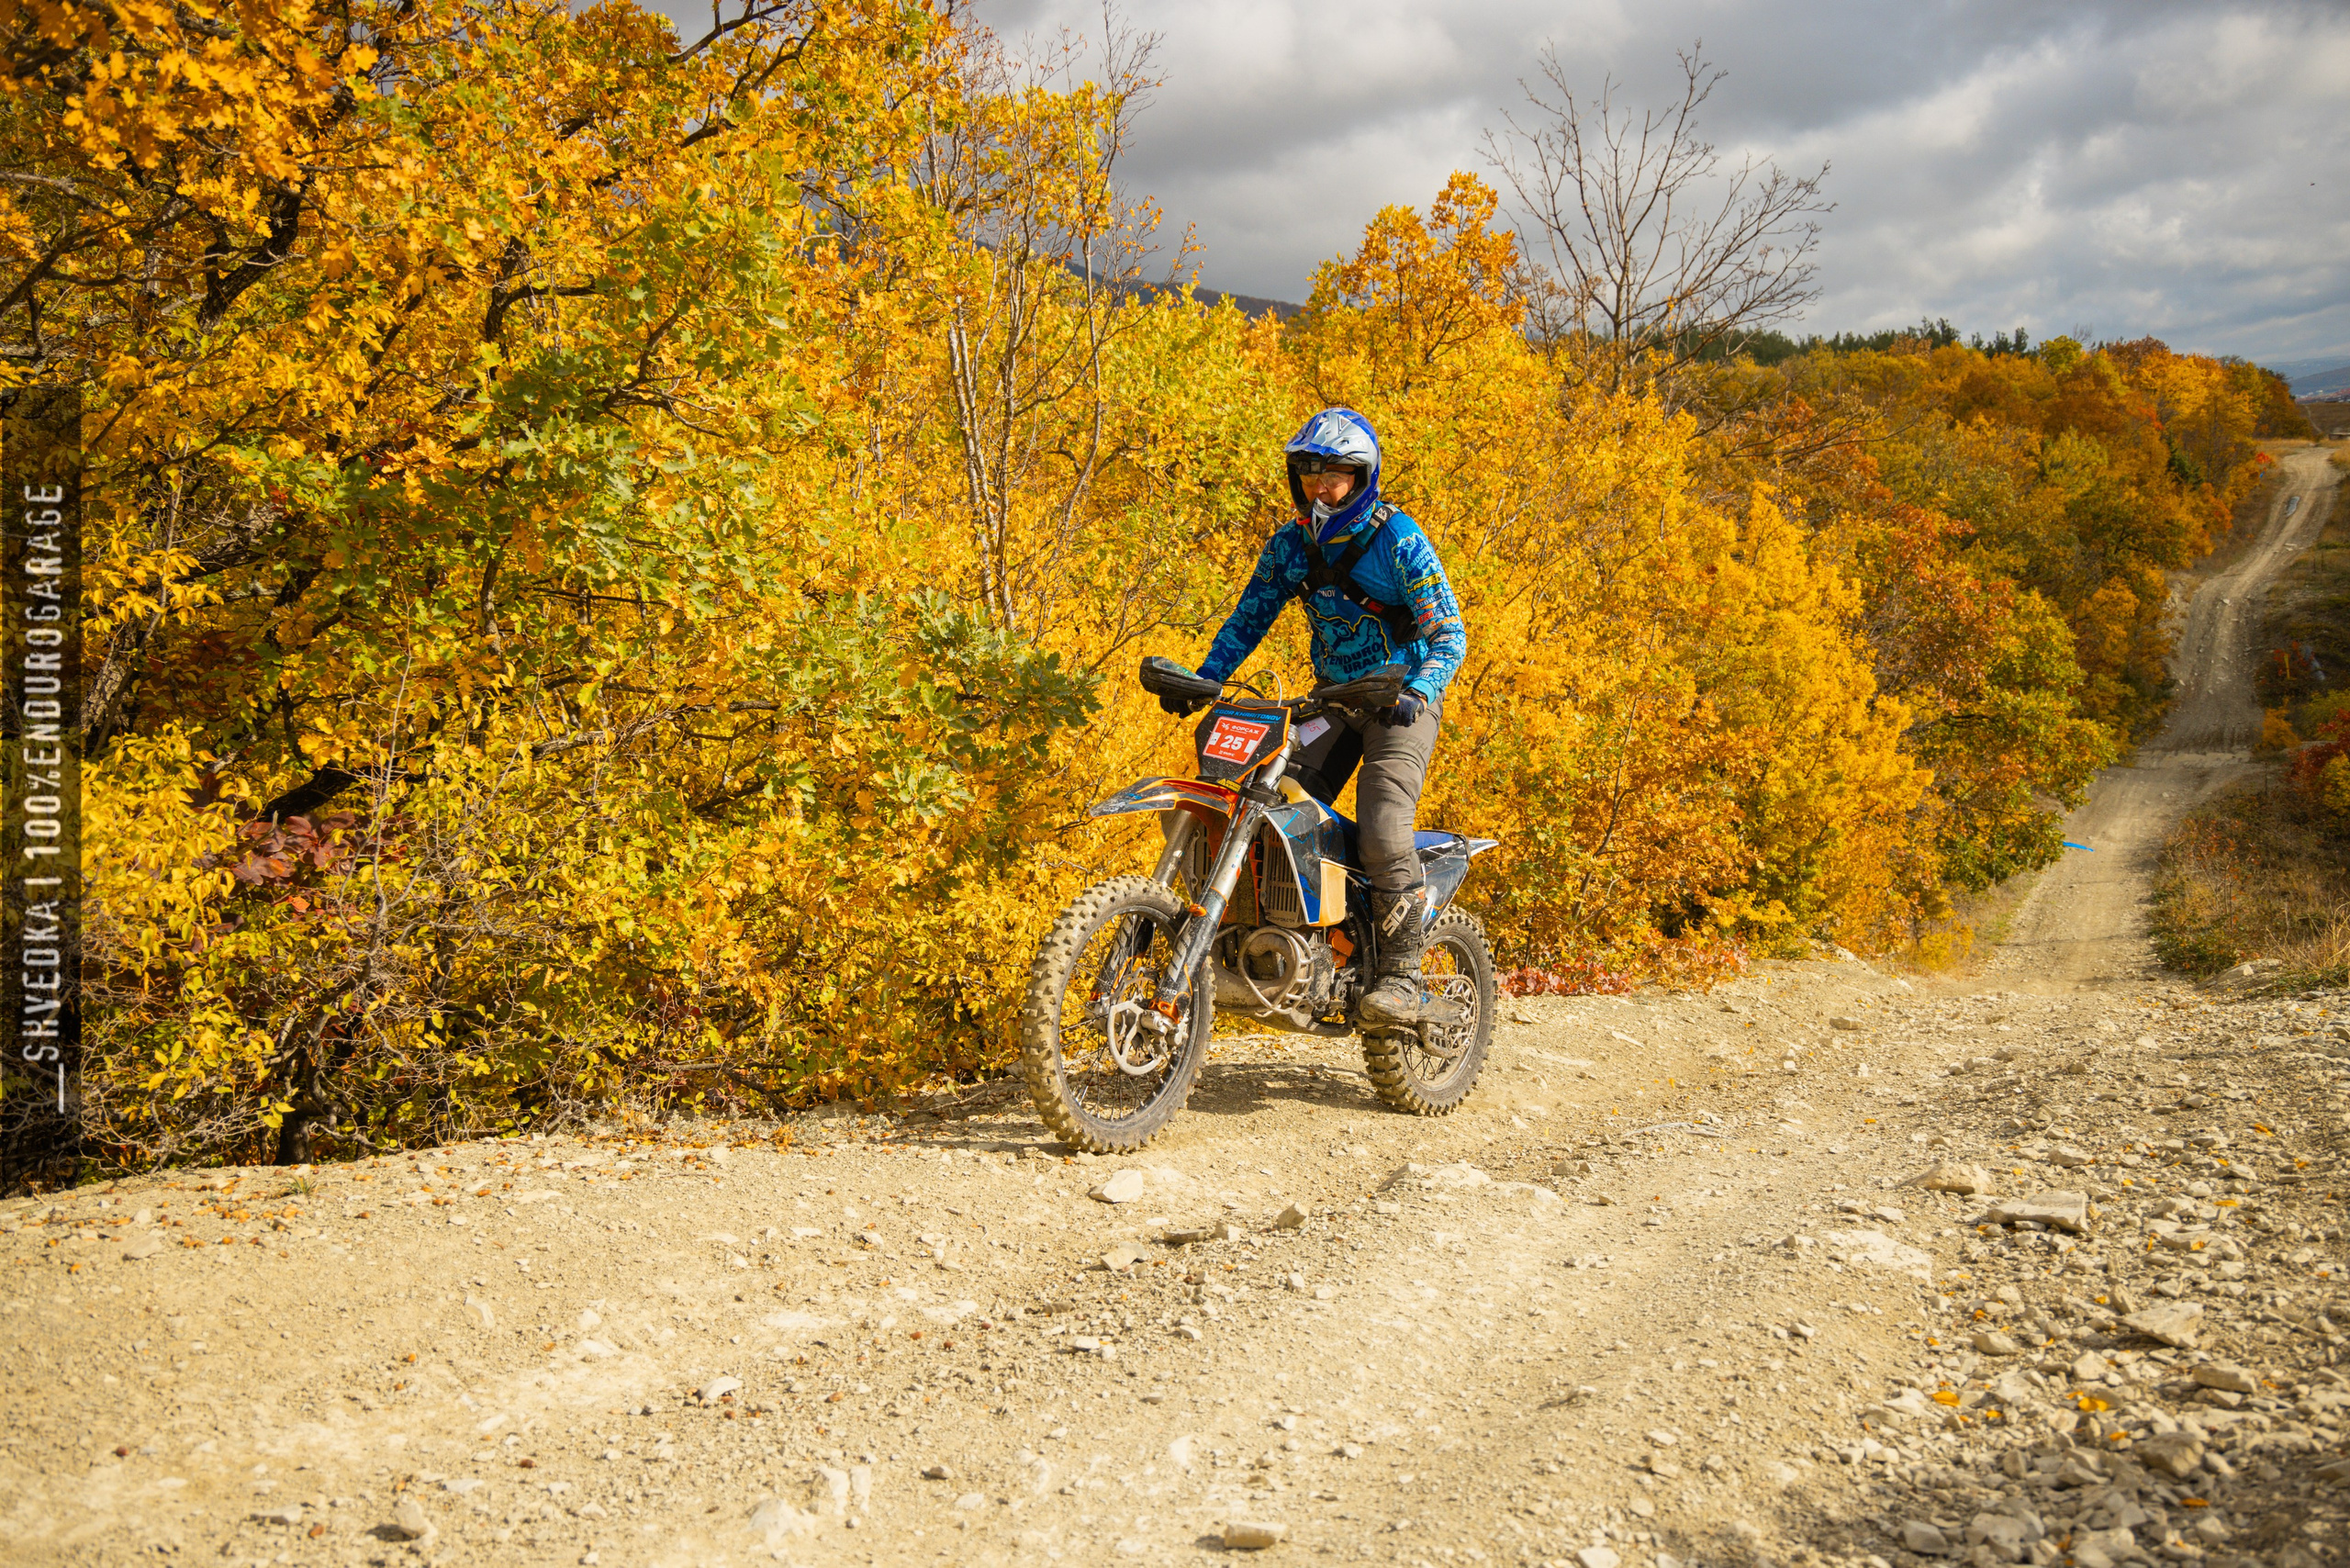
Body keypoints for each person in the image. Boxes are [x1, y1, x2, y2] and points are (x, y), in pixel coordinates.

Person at [1156, 407, 1467, 1028]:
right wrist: (1206, 680)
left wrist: (1419, 690)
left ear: (1363, 476)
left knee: (1382, 824)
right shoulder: (1289, 545)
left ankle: (1403, 975)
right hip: (1333, 703)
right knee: (1268, 805)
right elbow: (1248, 619)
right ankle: (1291, 947)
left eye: (1334, 473)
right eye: (1308, 471)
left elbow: (1449, 636)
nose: (1320, 485)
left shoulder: (1399, 539)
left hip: (1399, 704)